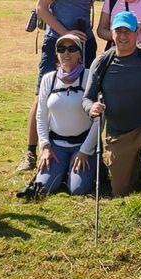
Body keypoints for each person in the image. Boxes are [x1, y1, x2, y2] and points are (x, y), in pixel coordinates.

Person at [20, 0, 116, 172]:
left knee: (90, 96)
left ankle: (88, 149)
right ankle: (31, 152)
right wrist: (67, 35)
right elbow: (41, 8)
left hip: (86, 44)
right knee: (42, 95)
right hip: (57, 42)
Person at [84, 12, 141, 196]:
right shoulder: (101, 62)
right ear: (112, 33)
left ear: (137, 32)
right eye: (118, 31)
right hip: (119, 134)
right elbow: (87, 98)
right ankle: (137, 170)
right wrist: (91, 108)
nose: (122, 36)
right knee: (120, 191)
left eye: (127, 31)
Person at [34, 33, 100, 195]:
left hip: (83, 144)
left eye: (72, 49)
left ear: (79, 54)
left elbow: (99, 120)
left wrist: (85, 151)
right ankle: (62, 169)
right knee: (43, 188)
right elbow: (41, 115)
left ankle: (77, 170)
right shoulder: (48, 79)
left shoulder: (89, 77)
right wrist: (45, 147)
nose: (66, 53)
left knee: (78, 190)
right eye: (61, 49)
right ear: (56, 54)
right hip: (56, 146)